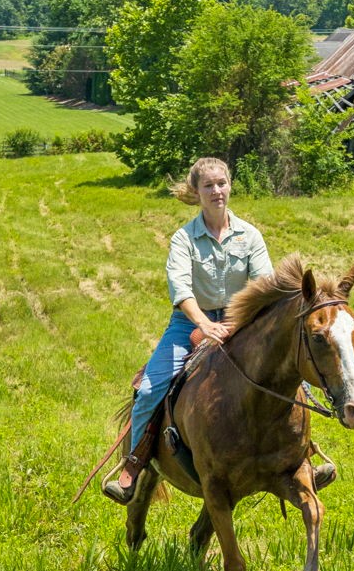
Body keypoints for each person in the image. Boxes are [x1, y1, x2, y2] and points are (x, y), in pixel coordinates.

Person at [104, 156, 331, 505]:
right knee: (150, 387)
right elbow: (181, 290)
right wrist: (205, 324)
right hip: (190, 323)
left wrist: (237, 323)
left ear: (230, 186)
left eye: (221, 183)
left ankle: (304, 454)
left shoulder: (249, 235)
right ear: (196, 191)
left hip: (242, 321)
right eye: (208, 185)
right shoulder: (184, 239)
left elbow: (265, 286)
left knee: (291, 375)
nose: (217, 191)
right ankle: (133, 464)